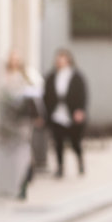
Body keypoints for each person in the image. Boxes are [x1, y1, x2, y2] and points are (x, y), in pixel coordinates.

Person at [0, 52, 39, 200]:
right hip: (5, 124)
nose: (14, 62)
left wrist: (36, 115)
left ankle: (22, 187)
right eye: (12, 60)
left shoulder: (27, 78)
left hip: (21, 124)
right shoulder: (2, 78)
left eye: (17, 60)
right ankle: (5, 186)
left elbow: (34, 99)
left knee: (22, 155)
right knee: (4, 156)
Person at [42, 48, 88, 178]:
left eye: (62, 60)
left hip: (71, 112)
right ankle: (60, 168)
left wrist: (80, 110)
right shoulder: (51, 77)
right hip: (57, 113)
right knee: (58, 142)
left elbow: (82, 95)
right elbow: (46, 96)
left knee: (75, 142)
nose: (60, 62)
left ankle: (80, 163)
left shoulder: (76, 76)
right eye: (58, 60)